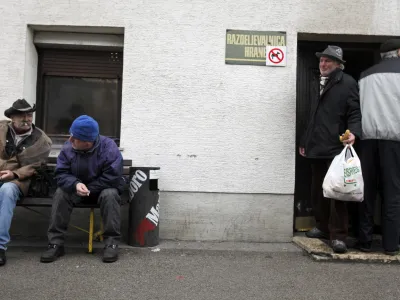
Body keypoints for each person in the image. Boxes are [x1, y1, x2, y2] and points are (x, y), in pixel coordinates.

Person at [299, 45, 361, 253]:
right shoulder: (315, 82)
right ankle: (322, 227)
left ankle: (339, 236)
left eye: (328, 61)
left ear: (338, 64)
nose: (323, 64)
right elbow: (311, 116)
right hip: (316, 145)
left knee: (338, 192)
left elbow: (354, 112)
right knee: (318, 191)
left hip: (336, 147)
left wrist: (353, 132)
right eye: (321, 61)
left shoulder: (348, 83)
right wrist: (304, 141)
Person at [40, 115, 125, 263]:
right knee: (61, 193)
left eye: (75, 138)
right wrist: (75, 185)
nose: (70, 140)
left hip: (102, 189)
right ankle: (56, 243)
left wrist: (89, 188)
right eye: (71, 135)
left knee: (111, 194)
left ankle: (111, 243)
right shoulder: (68, 148)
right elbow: (61, 173)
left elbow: (113, 177)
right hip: (77, 189)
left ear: (87, 142)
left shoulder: (109, 147)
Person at [357, 39, 400, 256]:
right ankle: (390, 244)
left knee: (367, 190)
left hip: (367, 139)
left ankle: (364, 241)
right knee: (392, 193)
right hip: (394, 139)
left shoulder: (365, 75)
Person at [0, 99, 52, 266]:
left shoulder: (42, 140)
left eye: (29, 115)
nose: (26, 119)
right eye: (21, 115)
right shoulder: (1, 128)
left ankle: (0, 247)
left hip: (19, 181)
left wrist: (14, 173)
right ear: (12, 117)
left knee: (7, 191)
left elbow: (36, 166)